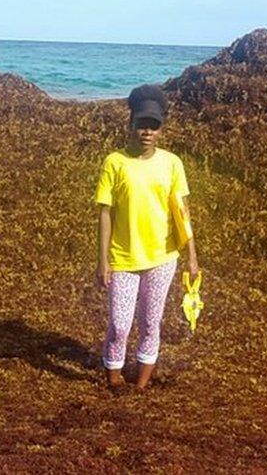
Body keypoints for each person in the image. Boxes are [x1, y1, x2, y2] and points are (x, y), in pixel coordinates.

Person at [93, 84, 200, 393]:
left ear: (161, 130)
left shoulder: (172, 164)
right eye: (141, 124)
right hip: (123, 258)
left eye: (153, 125)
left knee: (152, 323)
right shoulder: (115, 162)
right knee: (120, 325)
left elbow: (182, 211)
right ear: (131, 125)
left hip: (162, 257)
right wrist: (103, 262)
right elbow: (105, 214)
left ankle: (141, 385)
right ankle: (113, 378)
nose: (147, 131)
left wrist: (191, 255)